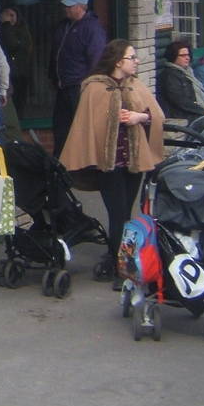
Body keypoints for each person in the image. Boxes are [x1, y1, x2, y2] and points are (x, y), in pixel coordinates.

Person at [58, 39, 165, 281]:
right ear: (118, 61)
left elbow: (157, 115)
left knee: (126, 211)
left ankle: (119, 257)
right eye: (132, 58)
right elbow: (86, 126)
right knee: (118, 213)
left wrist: (139, 117)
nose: (137, 62)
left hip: (134, 162)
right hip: (109, 165)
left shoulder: (135, 85)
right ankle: (122, 269)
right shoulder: (94, 88)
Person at [50, 0, 107, 151]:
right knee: (61, 126)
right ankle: (60, 162)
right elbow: (55, 53)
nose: (66, 9)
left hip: (79, 86)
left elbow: (96, 60)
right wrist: (52, 77)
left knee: (81, 127)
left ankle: (84, 164)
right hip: (63, 86)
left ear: (81, 7)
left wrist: (89, 85)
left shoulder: (92, 29)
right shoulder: (64, 26)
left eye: (70, 6)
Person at [156, 38, 204, 123]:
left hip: (195, 112)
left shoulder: (188, 72)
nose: (187, 58)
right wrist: (203, 112)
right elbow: (180, 101)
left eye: (188, 55)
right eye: (183, 55)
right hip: (182, 117)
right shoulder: (169, 76)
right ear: (173, 56)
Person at [0, 7, 34, 109]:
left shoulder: (22, 30)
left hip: (20, 73)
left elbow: (13, 45)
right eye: (7, 15)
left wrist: (6, 24)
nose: (10, 18)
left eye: (12, 15)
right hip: (6, 73)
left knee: (19, 102)